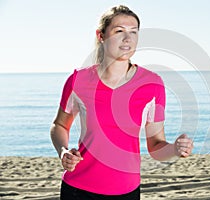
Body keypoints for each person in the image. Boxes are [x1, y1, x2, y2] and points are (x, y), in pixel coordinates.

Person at [50, 5, 193, 200]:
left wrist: (175, 150)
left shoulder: (152, 84)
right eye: (119, 31)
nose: (128, 39)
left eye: (134, 32)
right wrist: (63, 151)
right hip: (78, 189)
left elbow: (156, 146)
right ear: (101, 36)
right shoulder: (78, 81)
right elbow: (59, 125)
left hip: (126, 192)